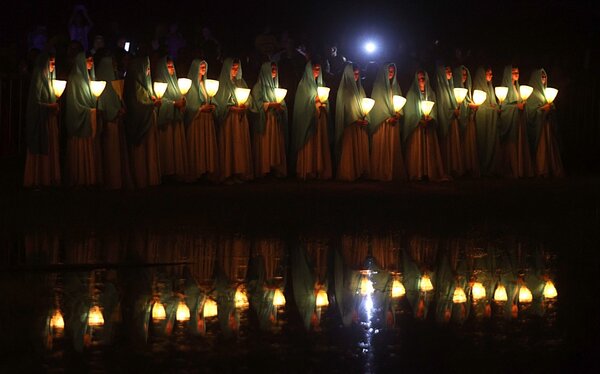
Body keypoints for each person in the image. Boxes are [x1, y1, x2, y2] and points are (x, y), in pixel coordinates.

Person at [23, 53, 61, 188]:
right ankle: (37, 177)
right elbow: (36, 102)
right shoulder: (39, 76)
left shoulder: (48, 78)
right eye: (51, 63)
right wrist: (51, 106)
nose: (53, 66)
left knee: (48, 145)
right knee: (40, 144)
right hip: (40, 120)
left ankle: (47, 176)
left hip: (48, 119)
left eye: (54, 63)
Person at [124, 57, 162, 188]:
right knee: (142, 152)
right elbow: (137, 105)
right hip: (141, 123)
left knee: (149, 150)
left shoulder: (144, 84)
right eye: (146, 68)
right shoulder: (134, 84)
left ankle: (150, 177)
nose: (148, 71)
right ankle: (142, 178)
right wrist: (152, 104)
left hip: (149, 120)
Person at [214, 58, 254, 183]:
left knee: (240, 144)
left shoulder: (241, 82)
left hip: (240, 119)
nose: (235, 71)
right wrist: (231, 107)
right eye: (233, 68)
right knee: (230, 143)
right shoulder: (223, 84)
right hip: (229, 119)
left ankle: (240, 171)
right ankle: (228, 172)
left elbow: (249, 98)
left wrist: (245, 105)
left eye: (237, 68)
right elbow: (220, 102)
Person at [402, 71, 447, 181]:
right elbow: (409, 111)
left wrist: (431, 117)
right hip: (416, 128)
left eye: (423, 78)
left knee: (429, 149)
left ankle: (429, 171)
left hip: (429, 127)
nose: (421, 81)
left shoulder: (431, 93)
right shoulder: (411, 94)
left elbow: (434, 109)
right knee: (417, 149)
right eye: (419, 79)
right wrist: (418, 120)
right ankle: (417, 172)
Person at [96, 55, 132, 189]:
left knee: (116, 152)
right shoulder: (102, 84)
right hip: (109, 123)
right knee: (110, 153)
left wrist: (121, 107)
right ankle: (112, 181)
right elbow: (103, 103)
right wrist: (115, 111)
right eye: (112, 65)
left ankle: (117, 180)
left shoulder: (115, 81)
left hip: (117, 121)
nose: (115, 67)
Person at [292, 62, 332, 180]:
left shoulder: (322, 84)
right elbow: (302, 104)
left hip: (320, 120)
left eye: (319, 69)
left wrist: (324, 105)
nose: (317, 71)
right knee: (310, 143)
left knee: (319, 143)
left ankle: (318, 169)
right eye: (315, 69)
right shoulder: (304, 85)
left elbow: (326, 101)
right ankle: (308, 169)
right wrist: (314, 100)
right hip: (309, 121)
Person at [65, 52, 100, 186]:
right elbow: (74, 102)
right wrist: (88, 111)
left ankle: (89, 176)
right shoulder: (75, 78)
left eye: (92, 60)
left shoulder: (89, 77)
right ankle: (80, 176)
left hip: (89, 117)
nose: (91, 63)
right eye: (88, 60)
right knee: (81, 148)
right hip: (81, 118)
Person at [368, 63, 407, 181]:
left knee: (392, 146)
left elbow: (400, 103)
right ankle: (381, 171)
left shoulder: (396, 87)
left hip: (393, 122)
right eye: (389, 71)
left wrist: (397, 115)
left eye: (393, 71)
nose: (391, 73)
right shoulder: (378, 86)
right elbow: (377, 106)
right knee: (382, 146)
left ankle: (391, 171)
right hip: (382, 123)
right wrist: (386, 117)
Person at [250, 62, 288, 178]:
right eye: (272, 69)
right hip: (265, 121)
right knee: (266, 145)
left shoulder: (276, 87)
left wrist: (281, 107)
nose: (274, 71)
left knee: (274, 145)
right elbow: (256, 104)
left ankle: (275, 168)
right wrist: (270, 105)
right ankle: (264, 169)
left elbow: (282, 103)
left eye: (276, 69)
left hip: (274, 121)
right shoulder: (258, 87)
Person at [184, 59, 218, 181]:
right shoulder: (190, 85)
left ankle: (206, 171)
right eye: (201, 66)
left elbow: (211, 97)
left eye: (205, 66)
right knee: (197, 144)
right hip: (196, 120)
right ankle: (196, 172)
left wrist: (213, 105)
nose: (203, 68)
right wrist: (200, 108)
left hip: (206, 120)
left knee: (206, 144)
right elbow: (189, 104)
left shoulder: (206, 84)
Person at [526, 69, 565, 177]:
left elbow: (551, 105)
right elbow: (530, 110)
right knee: (541, 148)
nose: (543, 78)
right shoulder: (532, 93)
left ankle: (551, 167)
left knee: (549, 146)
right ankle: (541, 169)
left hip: (547, 125)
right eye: (541, 76)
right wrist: (543, 109)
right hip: (539, 127)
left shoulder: (547, 91)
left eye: (545, 76)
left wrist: (551, 107)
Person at [335, 64, 370, 181]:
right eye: (354, 74)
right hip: (350, 126)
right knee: (350, 149)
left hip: (360, 125)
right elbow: (346, 109)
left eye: (358, 74)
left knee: (360, 148)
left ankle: (360, 171)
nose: (356, 76)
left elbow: (365, 105)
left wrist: (365, 118)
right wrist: (355, 119)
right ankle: (349, 173)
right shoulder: (344, 90)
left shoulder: (360, 89)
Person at [155, 56, 188, 179]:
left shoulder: (175, 81)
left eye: (172, 66)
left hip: (176, 119)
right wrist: (174, 104)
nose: (171, 69)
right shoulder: (159, 81)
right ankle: (167, 172)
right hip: (167, 120)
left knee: (176, 146)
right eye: (168, 67)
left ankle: (176, 172)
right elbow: (159, 100)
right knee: (168, 145)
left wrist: (183, 101)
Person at [499, 65, 533, 178]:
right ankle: (512, 169)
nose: (516, 74)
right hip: (511, 121)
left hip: (518, 121)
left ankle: (520, 169)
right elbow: (503, 107)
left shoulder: (518, 88)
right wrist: (516, 107)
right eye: (513, 72)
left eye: (517, 72)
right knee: (511, 145)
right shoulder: (505, 89)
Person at [434, 65, 464, 177]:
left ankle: (454, 169)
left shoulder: (451, 88)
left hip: (453, 121)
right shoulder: (440, 88)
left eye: (451, 71)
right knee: (447, 145)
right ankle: (447, 168)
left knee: (454, 145)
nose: (450, 73)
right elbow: (443, 107)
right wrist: (452, 112)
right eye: (447, 71)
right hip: (447, 121)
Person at [473, 67, 502, 176]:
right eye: (488, 73)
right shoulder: (479, 87)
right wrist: (492, 109)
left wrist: (495, 108)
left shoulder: (490, 87)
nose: (491, 75)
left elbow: (492, 104)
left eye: (491, 73)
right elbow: (481, 105)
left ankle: (492, 168)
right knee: (483, 142)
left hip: (491, 120)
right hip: (483, 120)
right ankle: (483, 167)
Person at [454, 65, 480, 177]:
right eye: (462, 74)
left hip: (469, 122)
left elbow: (468, 102)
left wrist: (473, 107)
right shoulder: (455, 90)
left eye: (465, 74)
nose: (464, 77)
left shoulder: (468, 91)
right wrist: (468, 106)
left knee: (469, 145)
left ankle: (469, 168)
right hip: (459, 123)